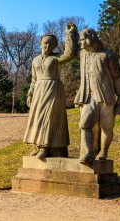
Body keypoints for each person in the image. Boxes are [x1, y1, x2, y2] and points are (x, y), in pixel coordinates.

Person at [24, 23, 78, 159]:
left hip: (53, 89)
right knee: (38, 118)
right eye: (45, 43)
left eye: (51, 44)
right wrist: (30, 93)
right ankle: (39, 145)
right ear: (40, 43)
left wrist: (69, 35)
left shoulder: (56, 58)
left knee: (49, 117)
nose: (47, 46)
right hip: (38, 91)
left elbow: (70, 54)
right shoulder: (35, 60)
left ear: (54, 46)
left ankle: (46, 147)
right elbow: (34, 80)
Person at [74, 28, 120, 164]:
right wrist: (70, 34)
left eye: (81, 39)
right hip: (88, 97)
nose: (80, 42)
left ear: (89, 39)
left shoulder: (107, 55)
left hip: (106, 96)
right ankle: (89, 152)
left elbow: (118, 76)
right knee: (84, 124)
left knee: (106, 127)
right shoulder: (82, 55)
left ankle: (104, 151)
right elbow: (69, 51)